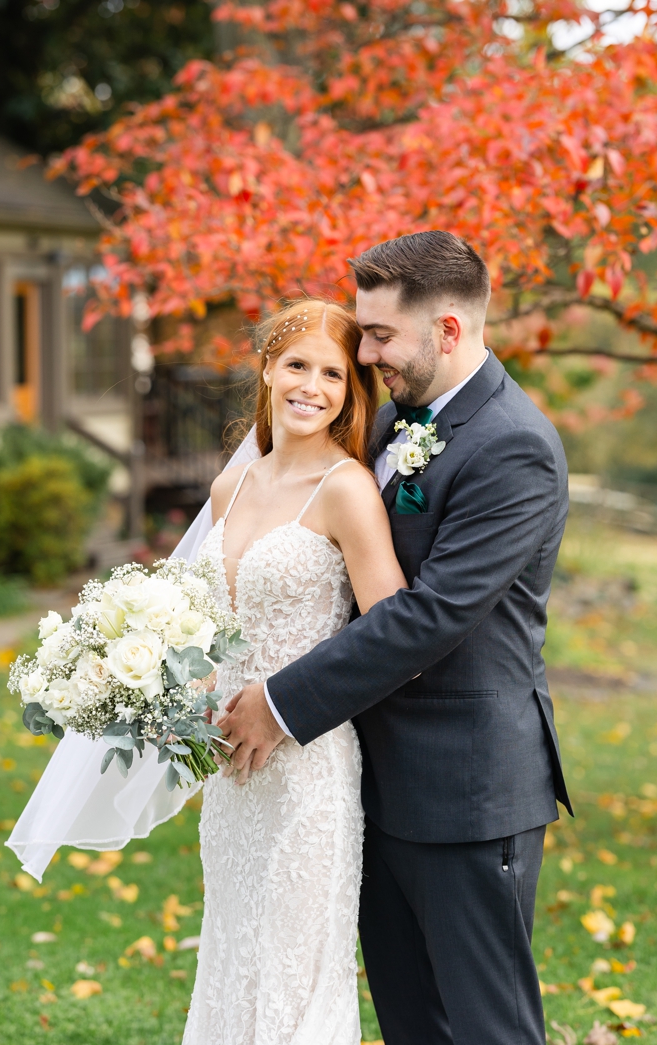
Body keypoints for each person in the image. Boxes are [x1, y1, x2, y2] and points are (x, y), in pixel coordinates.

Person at [217, 231, 572, 1045]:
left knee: (487, 1027)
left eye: (379, 335)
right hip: (367, 779)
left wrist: (279, 700)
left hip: (468, 788)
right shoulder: (387, 424)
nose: (364, 349)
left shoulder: (515, 446)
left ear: (447, 330)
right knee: (414, 1024)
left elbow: (432, 615)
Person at [184, 296, 398, 1044]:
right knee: (232, 954)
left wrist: (288, 705)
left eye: (333, 374)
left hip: (309, 766)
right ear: (268, 369)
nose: (312, 385)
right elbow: (211, 628)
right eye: (297, 364)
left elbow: (391, 633)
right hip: (231, 772)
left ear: (351, 391)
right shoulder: (228, 488)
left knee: (292, 975)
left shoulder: (346, 488)